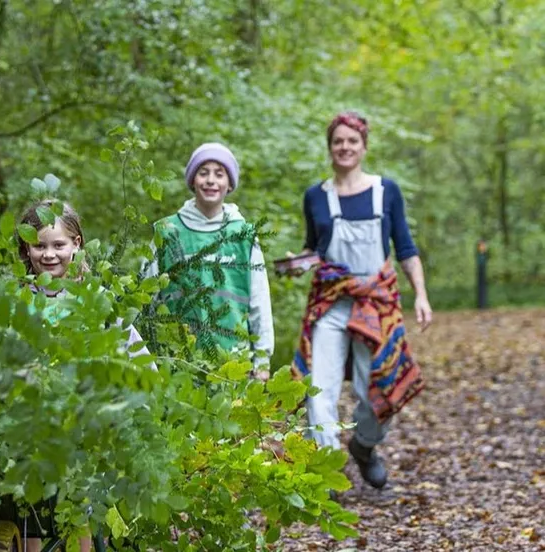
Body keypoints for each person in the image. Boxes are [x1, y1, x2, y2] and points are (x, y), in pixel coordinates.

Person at [290, 112, 432, 490]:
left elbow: (404, 247)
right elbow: (313, 248)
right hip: (330, 306)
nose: (345, 147)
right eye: (338, 141)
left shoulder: (387, 191)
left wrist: (420, 294)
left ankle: (364, 446)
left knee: (378, 388)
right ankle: (326, 475)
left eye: (352, 141)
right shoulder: (315, 196)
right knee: (318, 391)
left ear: (364, 146)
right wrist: (298, 263)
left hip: (377, 306)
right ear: (329, 147)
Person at [16, 199, 150, 551]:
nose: (49, 254)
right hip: (28, 427)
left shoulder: (97, 301)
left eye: (58, 244)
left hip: (83, 428)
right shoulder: (16, 300)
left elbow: (137, 356)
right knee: (30, 504)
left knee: (76, 502)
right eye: (39, 245)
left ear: (76, 244)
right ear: (25, 247)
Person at [146, 143, 274, 370]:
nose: (211, 180)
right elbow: (147, 297)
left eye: (219, 174)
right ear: (193, 180)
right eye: (203, 173)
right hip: (176, 357)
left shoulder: (243, 235)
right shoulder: (167, 231)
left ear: (229, 183)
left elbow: (259, 300)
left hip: (233, 358)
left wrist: (261, 360)